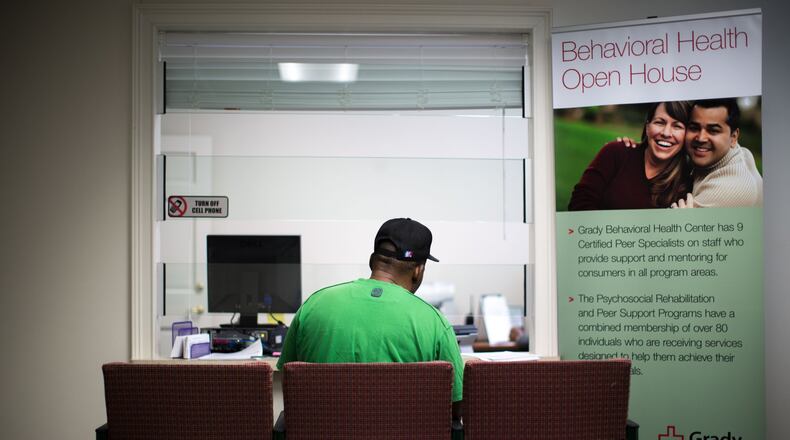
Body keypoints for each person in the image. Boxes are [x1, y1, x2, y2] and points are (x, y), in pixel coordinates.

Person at [277, 217, 464, 417]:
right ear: (418, 271)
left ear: (372, 261)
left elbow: (287, 379)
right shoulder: (435, 322)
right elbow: (457, 407)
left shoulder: (313, 305)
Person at [568, 101, 692, 211]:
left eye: (677, 126)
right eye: (659, 122)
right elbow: (579, 204)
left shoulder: (686, 183)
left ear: (687, 134)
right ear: (647, 127)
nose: (666, 133)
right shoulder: (616, 152)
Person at [671, 98, 763, 208]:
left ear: (733, 137)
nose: (701, 138)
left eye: (713, 130)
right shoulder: (737, 153)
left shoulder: (729, 190)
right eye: (694, 128)